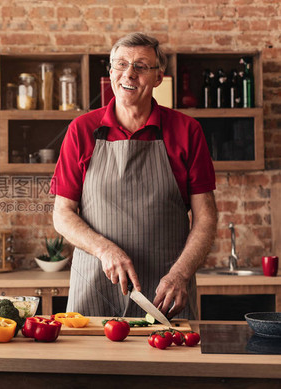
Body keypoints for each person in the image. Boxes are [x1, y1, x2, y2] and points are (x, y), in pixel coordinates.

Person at [51, 32, 217, 320]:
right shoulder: (81, 130)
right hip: (95, 285)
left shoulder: (187, 131)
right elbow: (62, 214)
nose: (129, 73)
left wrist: (180, 274)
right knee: (90, 367)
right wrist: (105, 250)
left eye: (141, 66)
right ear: (111, 71)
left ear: (158, 78)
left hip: (166, 290)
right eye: (121, 64)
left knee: (168, 365)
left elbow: (206, 217)